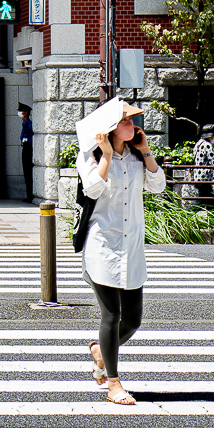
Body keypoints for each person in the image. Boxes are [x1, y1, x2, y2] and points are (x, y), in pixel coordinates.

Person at [76, 98, 166, 406]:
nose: (135, 125)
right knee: (112, 315)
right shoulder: (90, 156)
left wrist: (145, 151)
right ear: (112, 127)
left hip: (131, 245)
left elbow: (157, 186)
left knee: (134, 320)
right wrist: (106, 156)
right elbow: (92, 189)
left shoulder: (136, 157)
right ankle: (113, 383)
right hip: (102, 244)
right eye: (128, 121)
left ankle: (101, 351)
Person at [192, 124, 214, 206]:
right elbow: (213, 161)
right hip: (204, 178)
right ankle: (185, 215)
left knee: (211, 202)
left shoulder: (198, 143)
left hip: (198, 177)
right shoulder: (207, 145)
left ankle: (212, 218)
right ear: (210, 136)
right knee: (201, 202)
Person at [18, 104, 34, 204]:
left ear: (26, 113)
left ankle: (30, 195)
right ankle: (29, 195)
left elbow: (30, 137)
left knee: (28, 172)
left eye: (21, 111)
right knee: (26, 172)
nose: (20, 113)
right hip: (25, 148)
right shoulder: (25, 123)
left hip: (28, 149)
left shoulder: (28, 124)